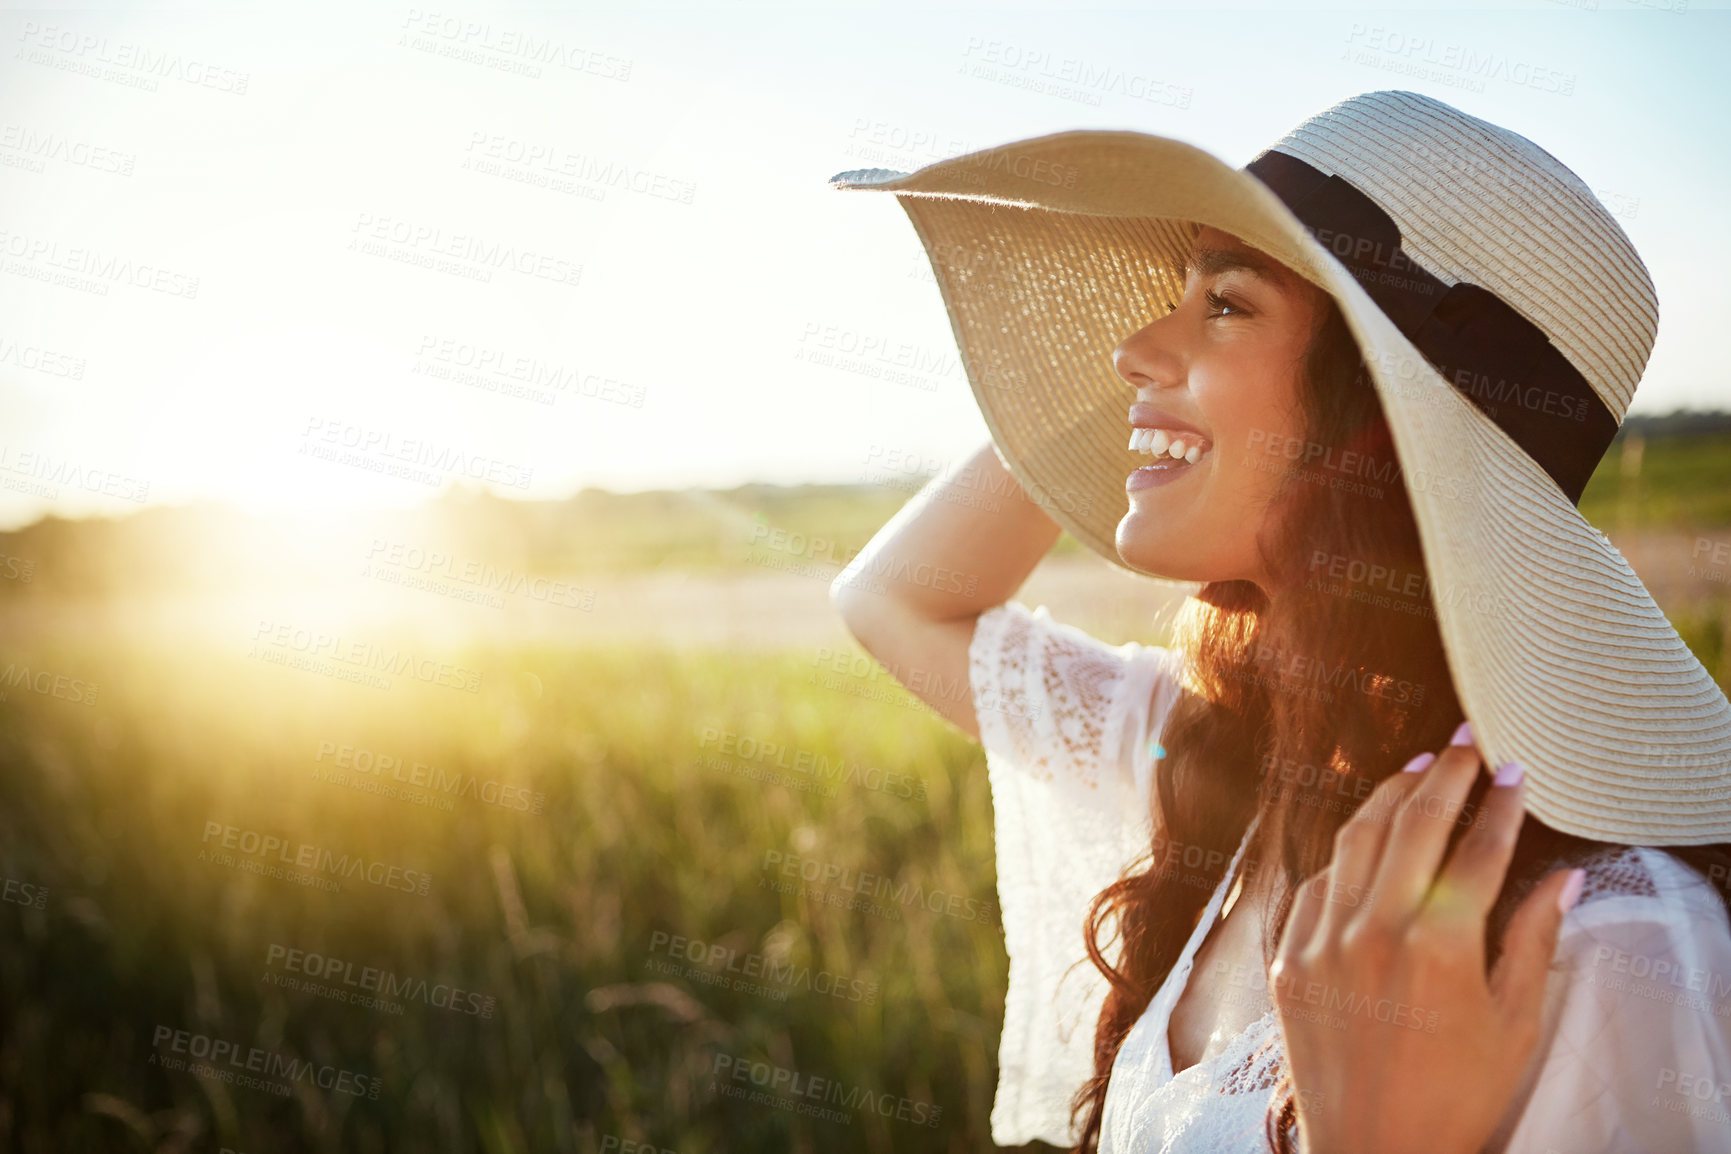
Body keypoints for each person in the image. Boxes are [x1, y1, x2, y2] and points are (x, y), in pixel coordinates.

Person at [829, 91, 1731, 1152]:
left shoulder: (1612, 939)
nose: (1124, 350)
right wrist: (1173, 387)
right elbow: (894, 597)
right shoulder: (1210, 760)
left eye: (1228, 302)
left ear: (1379, 415)